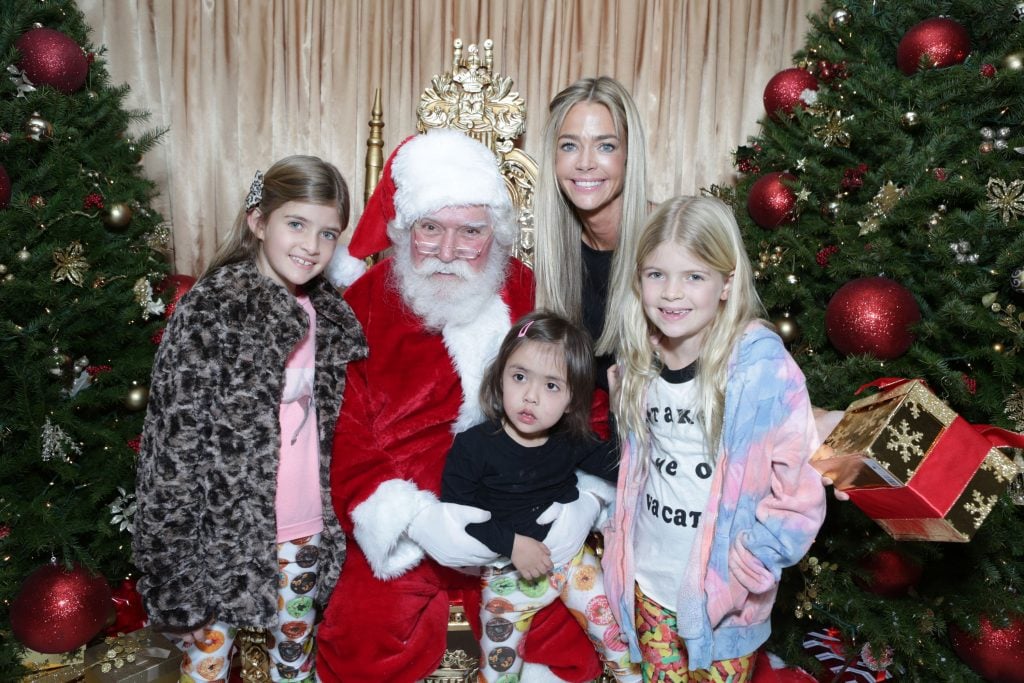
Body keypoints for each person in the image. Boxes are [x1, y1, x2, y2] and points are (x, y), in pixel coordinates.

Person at [317, 129, 608, 683]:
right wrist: (417, 520)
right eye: (430, 229)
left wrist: (589, 501)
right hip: (411, 521)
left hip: (520, 513)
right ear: (405, 230)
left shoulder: (522, 290)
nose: (448, 253)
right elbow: (341, 430)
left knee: (571, 650)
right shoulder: (366, 301)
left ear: (493, 235)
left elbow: (579, 396)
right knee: (360, 642)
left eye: (470, 232)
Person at [133, 155, 367, 682]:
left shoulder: (331, 316)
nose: (311, 245)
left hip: (304, 531)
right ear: (259, 222)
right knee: (207, 668)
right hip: (220, 542)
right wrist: (177, 580)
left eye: (328, 234)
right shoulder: (211, 310)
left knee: (295, 663)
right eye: (297, 224)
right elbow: (170, 453)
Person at [600, 196, 827, 681]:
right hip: (648, 584)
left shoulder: (761, 369)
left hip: (723, 599)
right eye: (655, 274)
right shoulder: (639, 359)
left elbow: (800, 488)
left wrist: (757, 560)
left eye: (694, 276)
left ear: (727, 283)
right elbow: (638, 467)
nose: (671, 293)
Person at [440, 311, 641, 682]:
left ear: (570, 400)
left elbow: (622, 466)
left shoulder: (571, 440)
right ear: (500, 377)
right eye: (519, 377)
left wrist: (617, 406)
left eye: (551, 386)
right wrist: (512, 543)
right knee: (498, 672)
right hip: (507, 576)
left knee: (620, 645)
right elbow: (455, 515)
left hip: (573, 565)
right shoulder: (473, 446)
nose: (530, 396)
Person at [532, 76, 649, 397]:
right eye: (569, 145)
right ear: (553, 158)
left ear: (628, 155)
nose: (584, 163)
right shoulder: (557, 249)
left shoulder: (669, 238)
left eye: (605, 146)